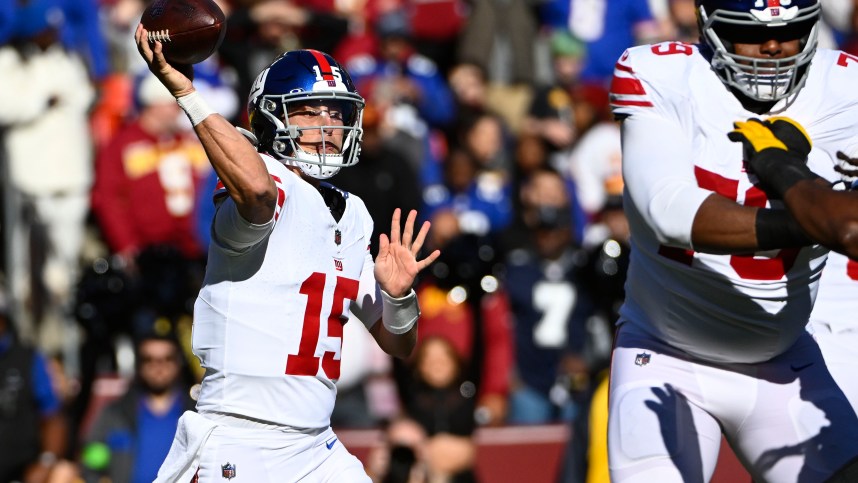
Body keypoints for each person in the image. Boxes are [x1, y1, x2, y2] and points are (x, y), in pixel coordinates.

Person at [134, 25, 440, 482]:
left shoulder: (353, 212)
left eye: (334, 114)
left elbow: (400, 343)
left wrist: (397, 297)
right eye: (306, 113)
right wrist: (187, 93)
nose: (326, 127)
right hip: (240, 440)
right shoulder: (261, 187)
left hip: (316, 443)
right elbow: (256, 192)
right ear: (270, 120)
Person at [606, 0, 858, 481]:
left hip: (784, 359)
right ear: (708, 26)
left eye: (791, 32)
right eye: (749, 33)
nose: (772, 47)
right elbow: (668, 210)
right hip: (665, 355)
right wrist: (813, 218)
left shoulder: (847, 88)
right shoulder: (662, 74)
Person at [80, 334, 195, 483]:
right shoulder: (114, 413)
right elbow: (91, 459)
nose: (158, 366)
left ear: (178, 363)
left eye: (167, 359)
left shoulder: (196, 415)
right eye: (149, 359)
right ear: (139, 364)